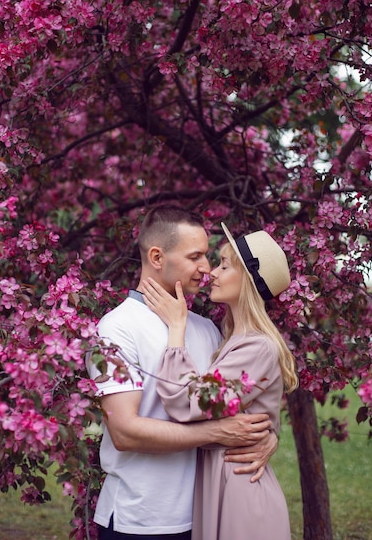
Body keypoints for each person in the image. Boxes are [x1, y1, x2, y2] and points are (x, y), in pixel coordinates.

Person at [87, 206, 278, 540]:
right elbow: (125, 433)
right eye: (195, 257)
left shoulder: (207, 330)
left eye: (208, 257)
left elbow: (243, 404)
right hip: (139, 520)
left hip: (207, 517)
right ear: (157, 257)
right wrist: (220, 432)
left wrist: (268, 438)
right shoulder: (117, 328)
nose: (205, 269)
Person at [142, 222, 298, 540]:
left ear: (248, 282)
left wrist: (176, 329)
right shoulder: (231, 339)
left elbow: (187, 402)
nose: (212, 272)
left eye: (224, 265)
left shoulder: (257, 346)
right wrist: (271, 434)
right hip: (226, 481)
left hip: (240, 490)